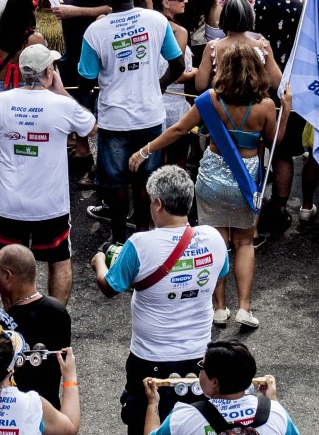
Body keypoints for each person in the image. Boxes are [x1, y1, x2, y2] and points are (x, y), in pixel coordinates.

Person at [131, 37, 275, 324]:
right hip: (245, 179)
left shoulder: (210, 100)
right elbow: (274, 144)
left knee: (216, 242)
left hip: (211, 175)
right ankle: (245, 308)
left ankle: (218, 308)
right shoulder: (266, 106)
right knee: (245, 243)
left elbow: (178, 130)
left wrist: (145, 151)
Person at [91, 164, 230, 435]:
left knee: (144, 422)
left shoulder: (140, 245)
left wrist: (99, 262)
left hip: (150, 358)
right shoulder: (214, 238)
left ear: (157, 203)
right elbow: (220, 274)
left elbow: (110, 287)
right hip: (200, 358)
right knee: (196, 426)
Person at [0, 43, 96, 304]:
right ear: (49, 72)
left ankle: (16, 324)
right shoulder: (62, 105)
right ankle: (56, 321)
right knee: (59, 261)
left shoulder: (1, 101)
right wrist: (60, 91)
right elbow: (91, 127)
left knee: (8, 266)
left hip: (7, 205)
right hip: (50, 206)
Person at [79, 0, 184, 244]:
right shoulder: (156, 21)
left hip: (114, 120)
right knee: (146, 181)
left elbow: (86, 81)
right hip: (150, 117)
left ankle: (116, 239)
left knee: (115, 183)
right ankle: (142, 235)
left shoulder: (95, 32)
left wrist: (86, 106)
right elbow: (178, 65)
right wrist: (157, 85)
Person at [138, 339, 291, 435]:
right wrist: (271, 402)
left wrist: (153, 403)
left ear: (215, 382)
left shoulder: (184, 417)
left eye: (202, 367)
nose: (200, 371)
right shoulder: (277, 413)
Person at [0, 245, 74, 411]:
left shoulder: (4, 329)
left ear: (7, 276)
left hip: (16, 415)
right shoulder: (59, 312)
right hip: (51, 410)